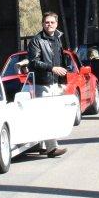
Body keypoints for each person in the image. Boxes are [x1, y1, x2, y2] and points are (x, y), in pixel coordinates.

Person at [25, 11, 68, 158]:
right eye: (46, 22)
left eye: (52, 22)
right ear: (43, 24)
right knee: (48, 115)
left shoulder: (57, 38)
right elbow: (33, 62)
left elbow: (61, 61)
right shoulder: (36, 40)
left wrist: (62, 81)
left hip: (55, 83)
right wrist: (52, 68)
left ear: (57, 24)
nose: (49, 25)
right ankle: (52, 148)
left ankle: (43, 146)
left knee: (51, 114)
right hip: (43, 83)